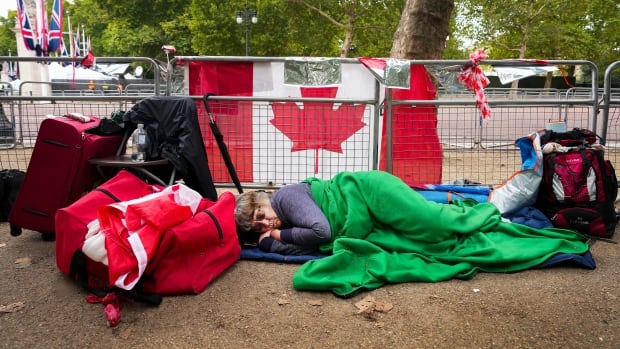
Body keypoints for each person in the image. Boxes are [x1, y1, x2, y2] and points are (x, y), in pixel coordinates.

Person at [235, 170, 591, 296]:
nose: (266, 224)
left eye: (261, 216)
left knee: (436, 223)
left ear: (263, 200)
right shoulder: (284, 221)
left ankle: (488, 216)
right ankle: (486, 225)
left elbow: (321, 230)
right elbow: (310, 249)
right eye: (258, 227)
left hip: (370, 193)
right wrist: (274, 244)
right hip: (369, 221)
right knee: (429, 243)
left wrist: (277, 240)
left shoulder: (285, 199)